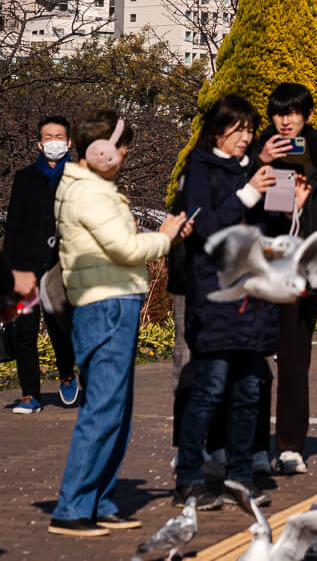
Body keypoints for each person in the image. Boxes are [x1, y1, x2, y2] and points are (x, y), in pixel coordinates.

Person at [50, 110, 190, 538]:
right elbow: (125, 247)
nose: (126, 152)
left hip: (112, 302)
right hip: (106, 305)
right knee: (104, 410)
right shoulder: (88, 193)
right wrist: (166, 235)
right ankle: (72, 507)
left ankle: (100, 499)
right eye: (122, 144)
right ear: (102, 150)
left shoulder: (89, 188)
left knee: (117, 410)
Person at [175, 94, 286, 511]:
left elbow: (271, 228)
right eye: (237, 129)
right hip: (215, 295)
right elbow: (203, 227)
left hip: (252, 296)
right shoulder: (202, 168)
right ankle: (189, 477)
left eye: (250, 130)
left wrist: (290, 203)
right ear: (217, 130)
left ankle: (241, 476)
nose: (245, 137)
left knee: (248, 391)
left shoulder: (257, 171)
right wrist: (249, 192)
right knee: (208, 389)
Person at [251, 83, 317, 476]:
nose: (285, 120)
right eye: (278, 112)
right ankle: (255, 446)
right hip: (261, 272)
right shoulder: (257, 155)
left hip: (301, 277)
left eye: (293, 112)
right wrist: (259, 167)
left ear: (307, 116)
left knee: (294, 364)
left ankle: (291, 446)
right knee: (254, 363)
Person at [4, 114, 79, 415]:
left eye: (59, 137)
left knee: (61, 326)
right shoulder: (24, 178)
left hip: (62, 265)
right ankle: (29, 394)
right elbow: (14, 225)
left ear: (69, 141)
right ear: (39, 142)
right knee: (25, 331)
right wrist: (9, 271)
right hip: (26, 266)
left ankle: (66, 372)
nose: (53, 143)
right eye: (48, 137)